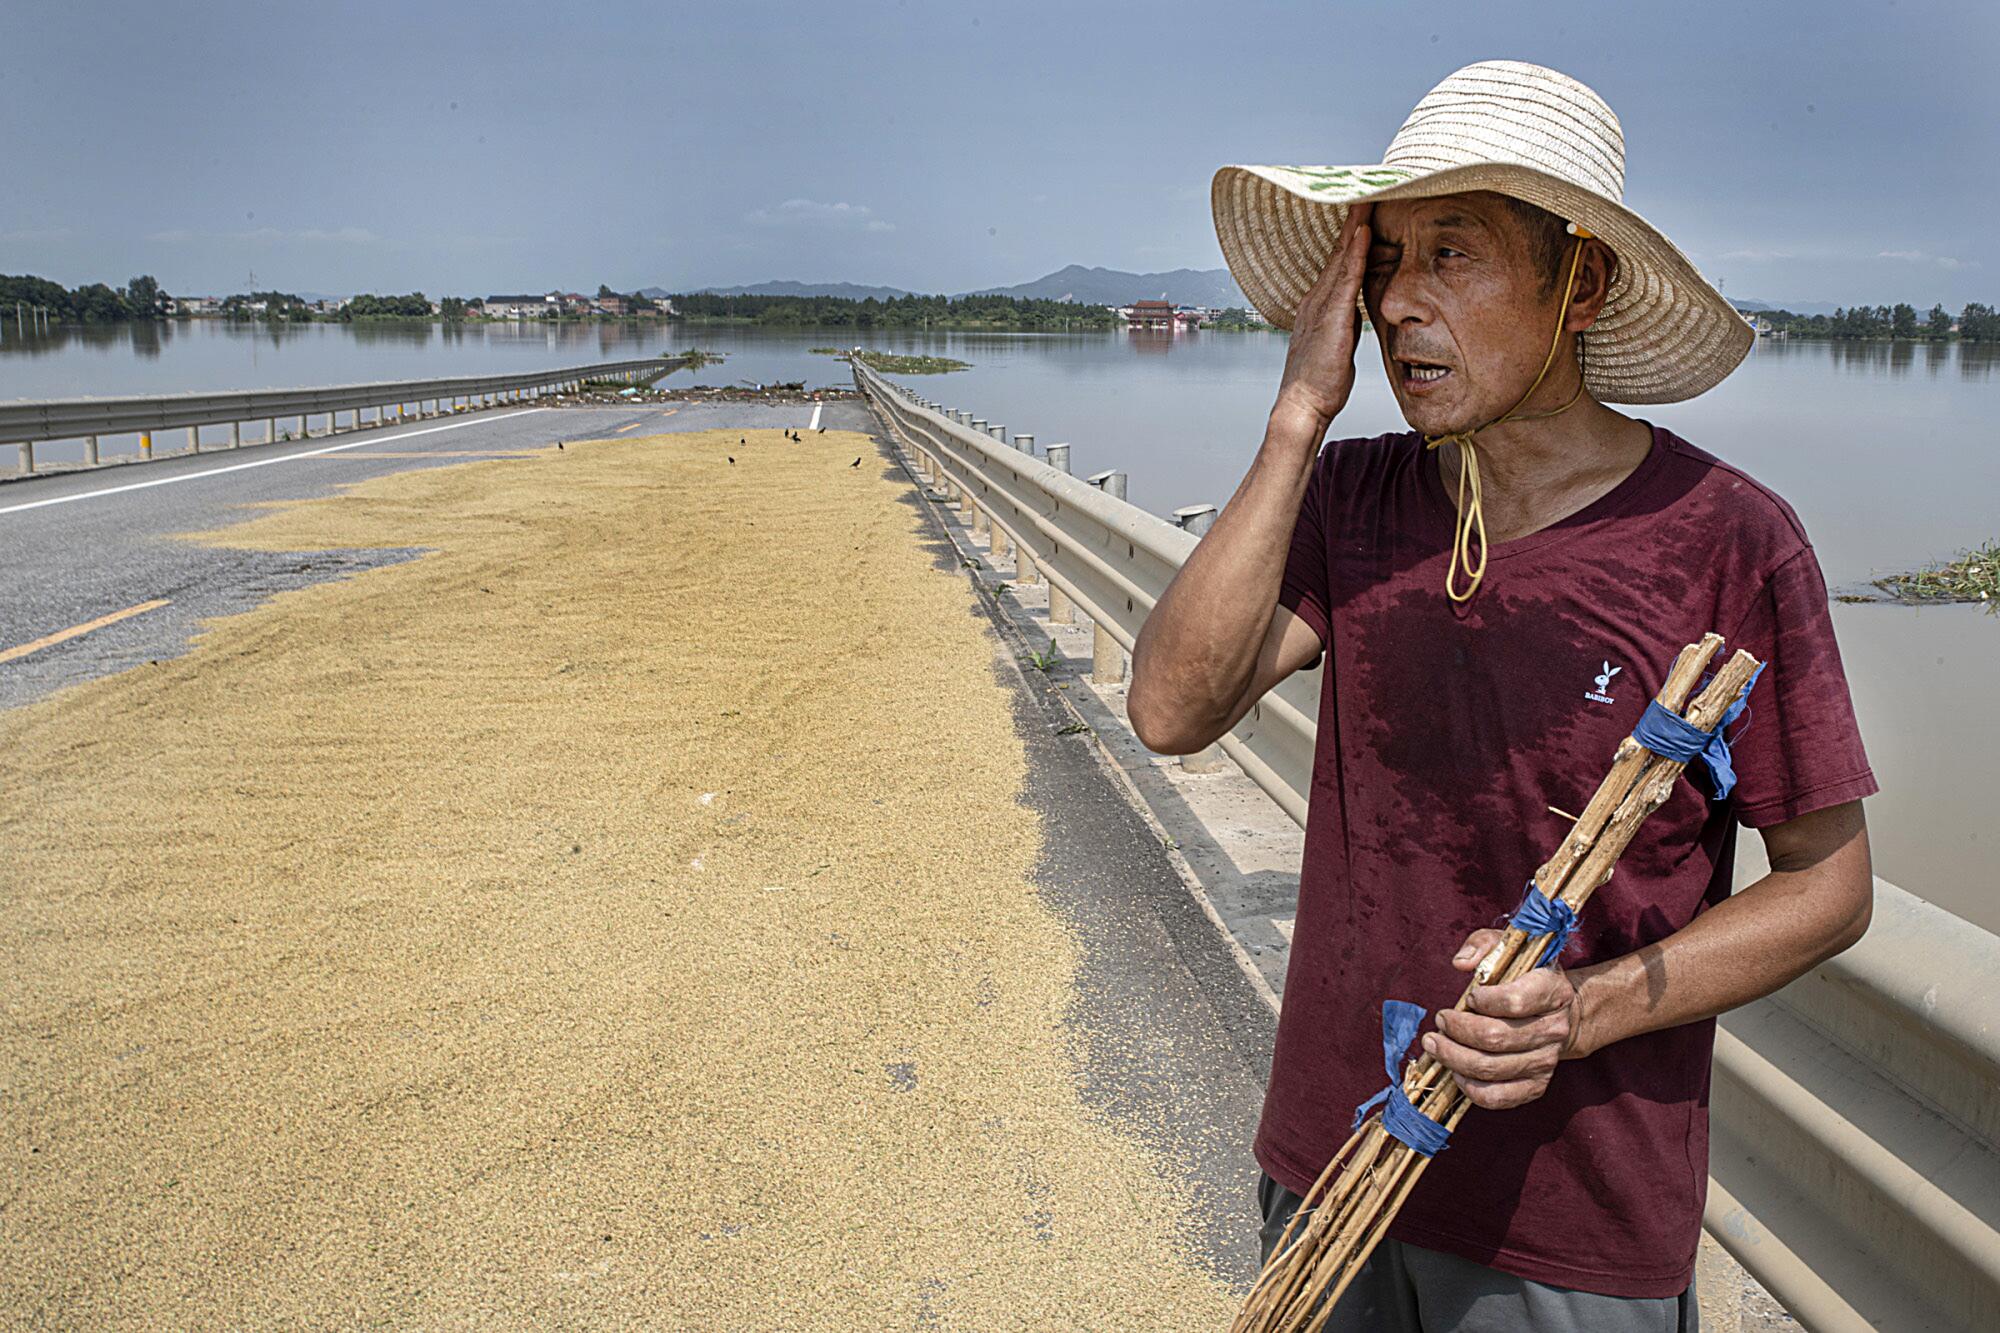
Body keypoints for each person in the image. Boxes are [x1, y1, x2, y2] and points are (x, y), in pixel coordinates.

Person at [1128, 60, 1878, 1332]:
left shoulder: (1725, 541)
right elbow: (1169, 710)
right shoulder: (1355, 500)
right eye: (1384, 261)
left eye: (1453, 255)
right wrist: (1297, 415)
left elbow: (1828, 883)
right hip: (1329, 1160)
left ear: (1578, 284)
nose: (1397, 305)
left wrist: (1577, 1011)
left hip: (1571, 1227)